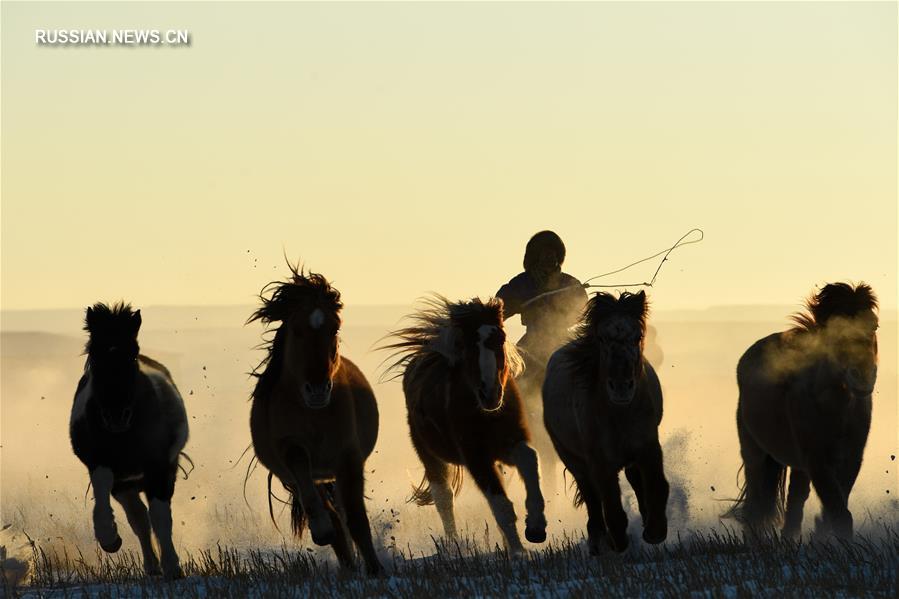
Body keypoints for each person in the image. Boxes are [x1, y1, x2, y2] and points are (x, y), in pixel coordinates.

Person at [496, 230, 588, 367]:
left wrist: (558, 315)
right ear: (536, 257)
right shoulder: (522, 282)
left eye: (552, 252)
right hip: (531, 342)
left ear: (558, 255)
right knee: (515, 370)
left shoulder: (570, 284)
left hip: (563, 341)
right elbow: (498, 310)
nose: (549, 256)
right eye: (544, 253)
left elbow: (583, 311)